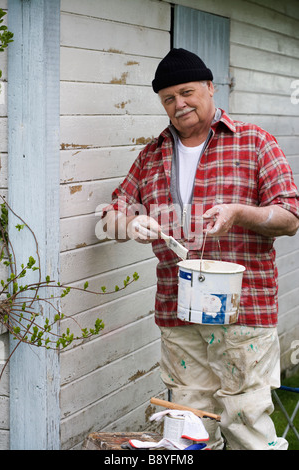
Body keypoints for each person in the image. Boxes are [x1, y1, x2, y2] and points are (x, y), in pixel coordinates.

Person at [101, 48, 299, 450]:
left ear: (210, 87)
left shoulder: (255, 142)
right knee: (188, 425)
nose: (179, 104)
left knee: (246, 421)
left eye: (187, 92)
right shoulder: (152, 154)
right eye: (168, 99)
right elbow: (111, 214)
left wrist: (239, 213)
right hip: (178, 312)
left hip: (244, 311)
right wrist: (128, 223)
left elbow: (290, 217)